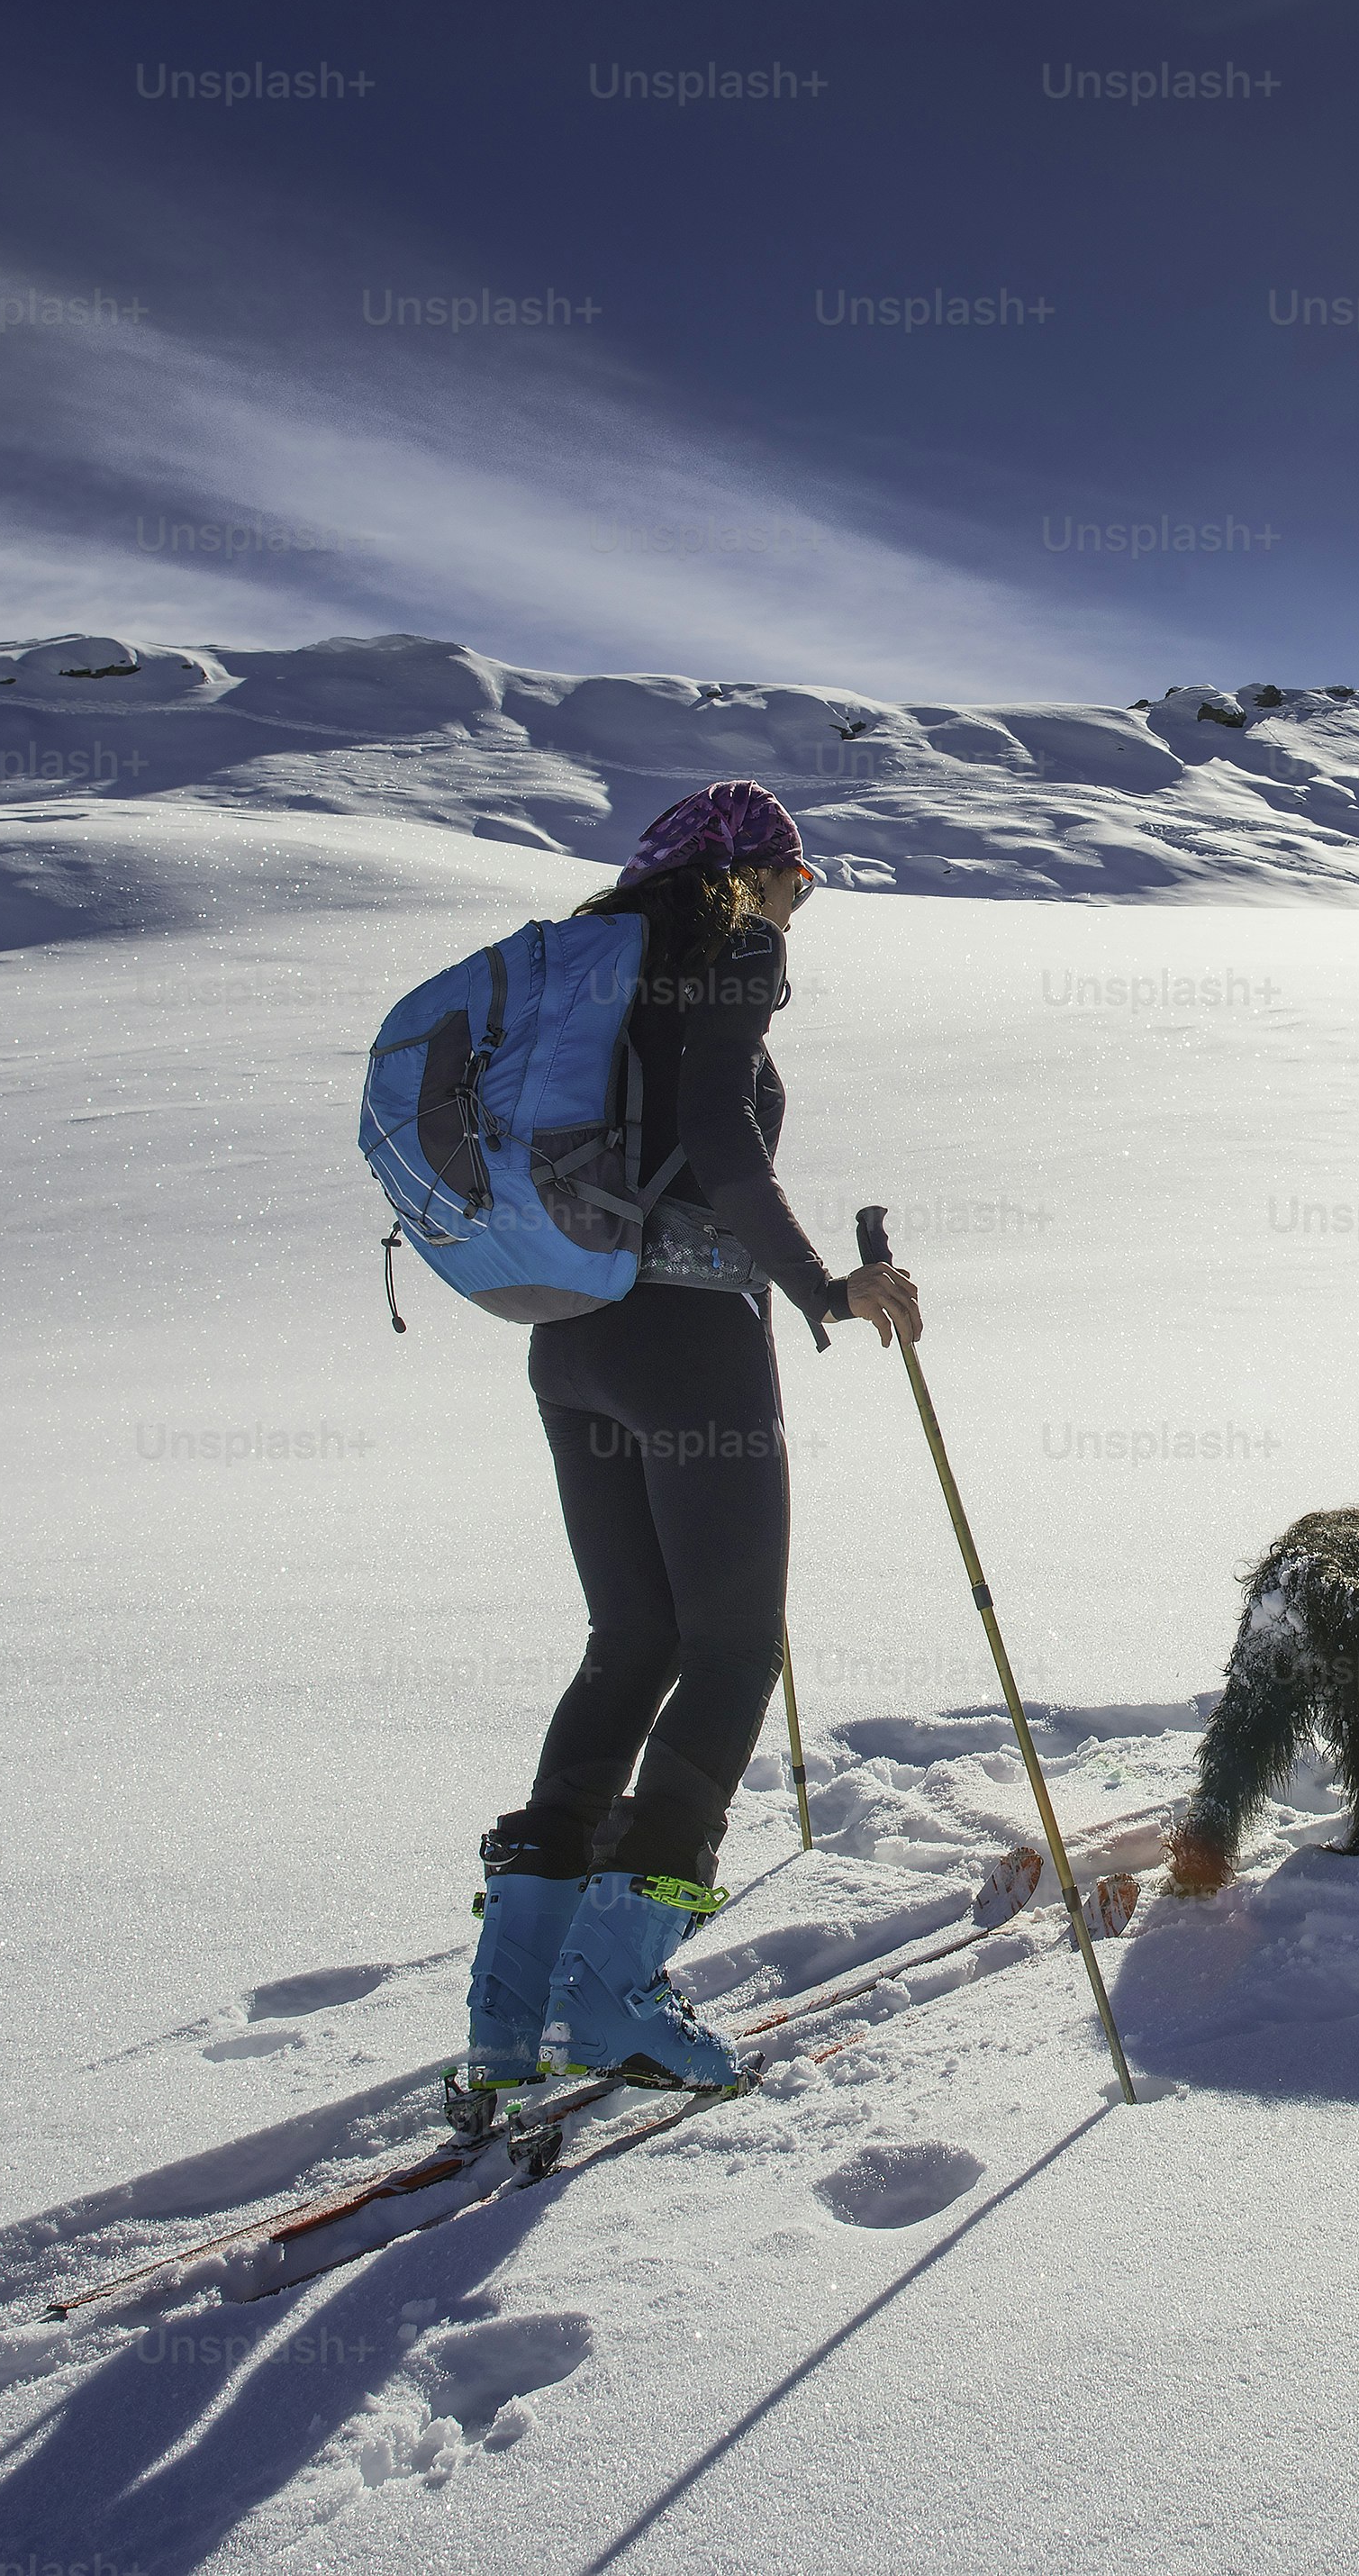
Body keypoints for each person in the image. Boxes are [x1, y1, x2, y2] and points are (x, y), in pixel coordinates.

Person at [458, 781, 922, 2114]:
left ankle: (511, 2005)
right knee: (732, 1648)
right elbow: (721, 1140)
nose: (801, 900)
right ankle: (613, 1992)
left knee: (631, 1643)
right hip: (685, 1341)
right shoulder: (732, 947)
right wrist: (823, 1286)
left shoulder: (597, 970)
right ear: (752, 869)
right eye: (800, 874)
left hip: (571, 1340)